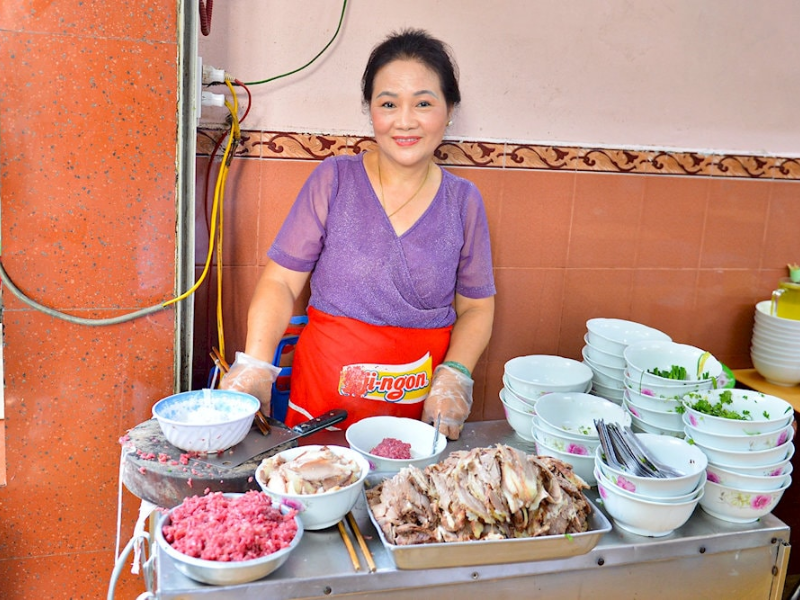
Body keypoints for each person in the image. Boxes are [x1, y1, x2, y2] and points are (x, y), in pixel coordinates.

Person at [220, 29, 495, 440]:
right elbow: (281, 281)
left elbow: (476, 308)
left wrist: (455, 375)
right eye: (388, 104)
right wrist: (256, 364)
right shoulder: (334, 179)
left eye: (423, 103)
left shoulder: (463, 201)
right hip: (323, 402)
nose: (405, 121)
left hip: (415, 408)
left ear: (449, 109)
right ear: (370, 110)